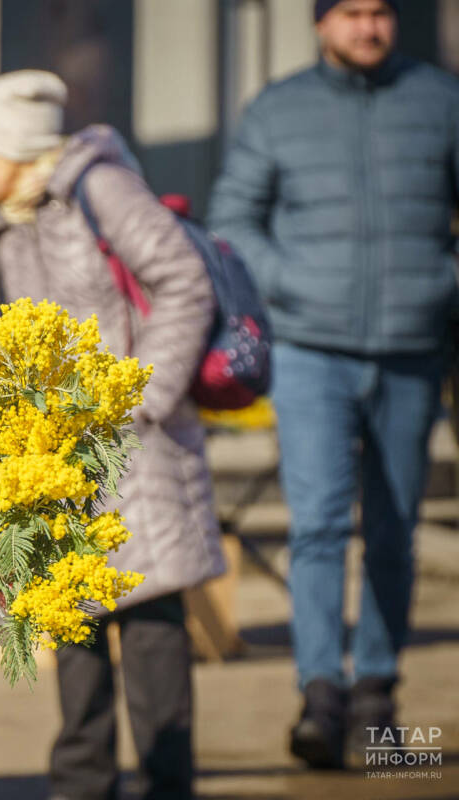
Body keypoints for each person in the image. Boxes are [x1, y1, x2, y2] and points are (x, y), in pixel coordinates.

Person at [0, 70, 224, 800]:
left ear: (13, 147)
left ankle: (169, 784)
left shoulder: (100, 188)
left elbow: (185, 280)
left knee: (150, 619)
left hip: (136, 442)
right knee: (68, 610)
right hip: (64, 455)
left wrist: (143, 397)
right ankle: (83, 783)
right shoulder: (20, 214)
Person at [208, 0, 459, 769]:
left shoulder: (440, 100)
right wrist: (297, 285)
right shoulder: (278, 110)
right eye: (349, 12)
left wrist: (442, 283)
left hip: (413, 348)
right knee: (317, 524)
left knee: (393, 529)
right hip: (313, 353)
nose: (367, 27)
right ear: (321, 23)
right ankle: (321, 692)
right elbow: (233, 222)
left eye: (379, 12)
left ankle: (378, 693)